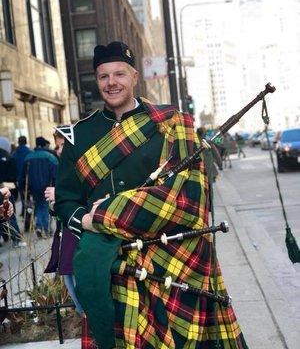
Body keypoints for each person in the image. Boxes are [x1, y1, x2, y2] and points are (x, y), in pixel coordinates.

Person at [55, 41, 248, 349]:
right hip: (111, 262)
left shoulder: (169, 123)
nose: (111, 83)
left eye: (119, 74)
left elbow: (188, 195)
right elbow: (65, 199)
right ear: (97, 81)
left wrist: (110, 212)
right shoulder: (79, 134)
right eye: (104, 77)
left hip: (168, 255)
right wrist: (89, 222)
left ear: (134, 77)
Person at [44, 130, 83, 315]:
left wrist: (58, 195)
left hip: (80, 241)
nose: (59, 151)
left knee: (84, 300)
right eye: (57, 146)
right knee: (73, 291)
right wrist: (54, 205)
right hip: (65, 241)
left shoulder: (84, 166)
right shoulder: (63, 168)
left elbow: (93, 201)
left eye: (63, 145)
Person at [21, 136, 58, 238]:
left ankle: (39, 226)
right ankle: (45, 228)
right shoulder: (50, 156)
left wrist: (23, 189)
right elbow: (55, 173)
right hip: (47, 186)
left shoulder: (28, 157)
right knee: (45, 206)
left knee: (38, 206)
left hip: (33, 187)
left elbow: (23, 175)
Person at [0, 137, 26, 247]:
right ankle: (17, 240)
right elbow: (14, 175)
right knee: (10, 215)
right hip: (6, 188)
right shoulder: (8, 156)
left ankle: (5, 237)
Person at [12, 136, 32, 225]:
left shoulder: (14, 154)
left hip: (19, 180)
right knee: (28, 199)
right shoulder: (30, 152)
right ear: (26, 141)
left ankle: (26, 216)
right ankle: (28, 219)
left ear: (18, 142)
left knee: (24, 199)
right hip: (28, 180)